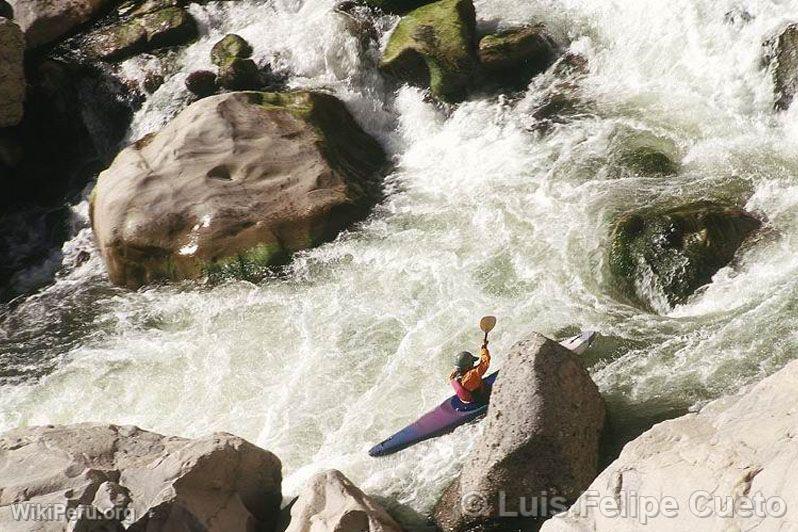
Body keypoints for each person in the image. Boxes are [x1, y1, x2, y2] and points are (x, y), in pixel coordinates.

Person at [449, 340, 491, 404]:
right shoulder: (472, 376)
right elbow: (485, 363)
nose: (473, 363)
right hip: (480, 398)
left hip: (467, 398)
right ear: (468, 367)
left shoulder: (454, 375)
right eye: (472, 362)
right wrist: (484, 349)